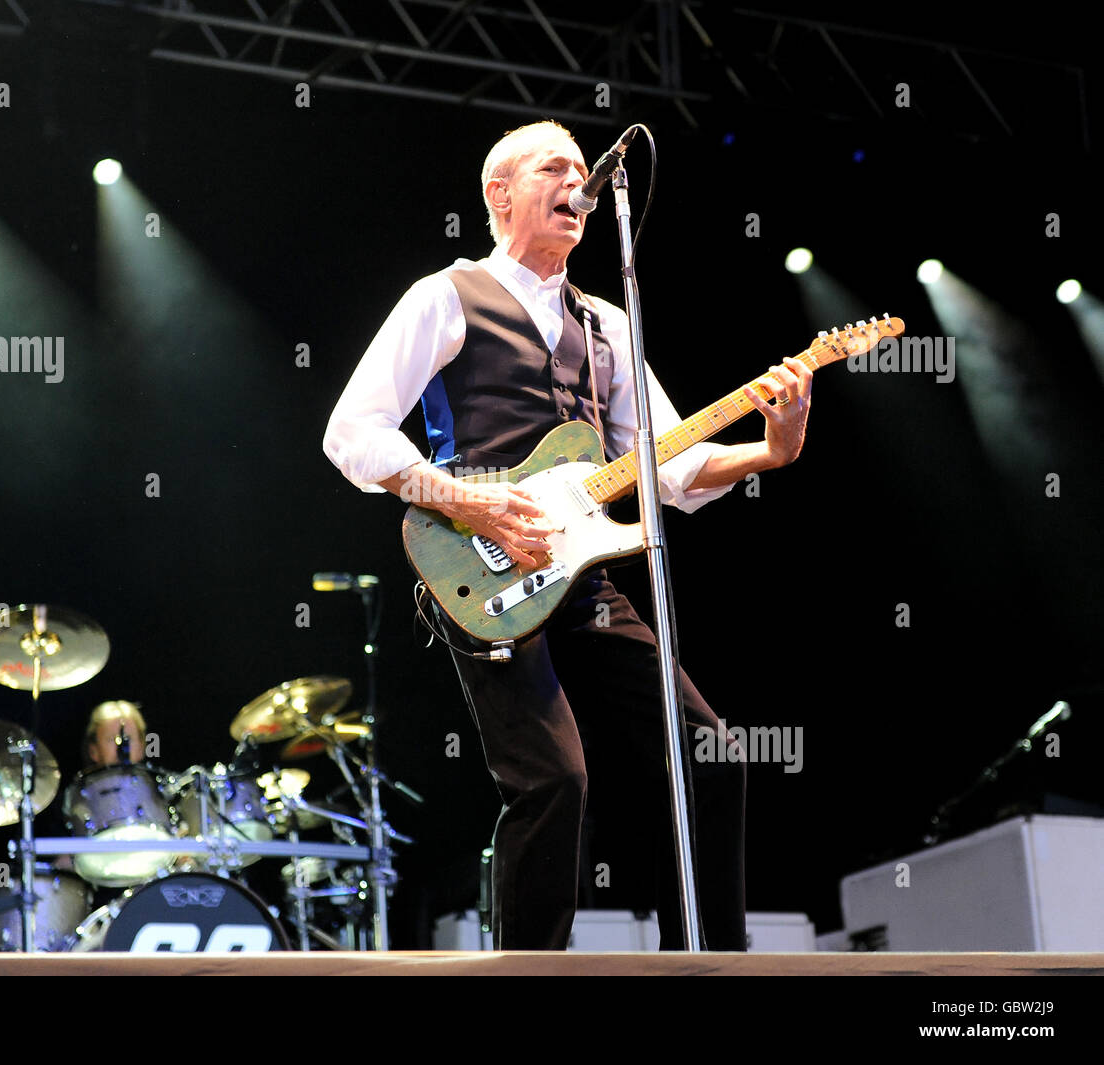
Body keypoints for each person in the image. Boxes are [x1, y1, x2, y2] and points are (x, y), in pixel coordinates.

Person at [323, 119, 813, 950]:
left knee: (710, 753)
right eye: (556, 168)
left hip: (582, 569)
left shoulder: (608, 325)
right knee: (554, 780)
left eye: (585, 171)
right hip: (483, 570)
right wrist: (467, 500)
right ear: (499, 193)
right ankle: (530, 977)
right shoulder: (448, 294)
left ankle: (711, 964)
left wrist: (768, 449)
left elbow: (666, 473)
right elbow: (353, 432)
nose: (578, 184)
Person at [82, 700, 147, 768]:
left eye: (128, 738)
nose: (121, 746)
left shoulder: (153, 778)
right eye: (112, 739)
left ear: (141, 748)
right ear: (93, 750)